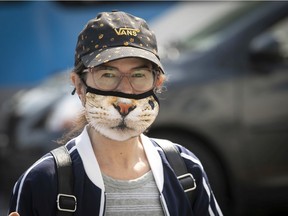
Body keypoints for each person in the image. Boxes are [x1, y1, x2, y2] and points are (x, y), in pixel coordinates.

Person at [8, 11, 223, 216]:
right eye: (107, 74)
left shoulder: (185, 168)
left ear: (157, 83)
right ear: (79, 85)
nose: (124, 98)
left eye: (139, 75)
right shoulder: (43, 180)